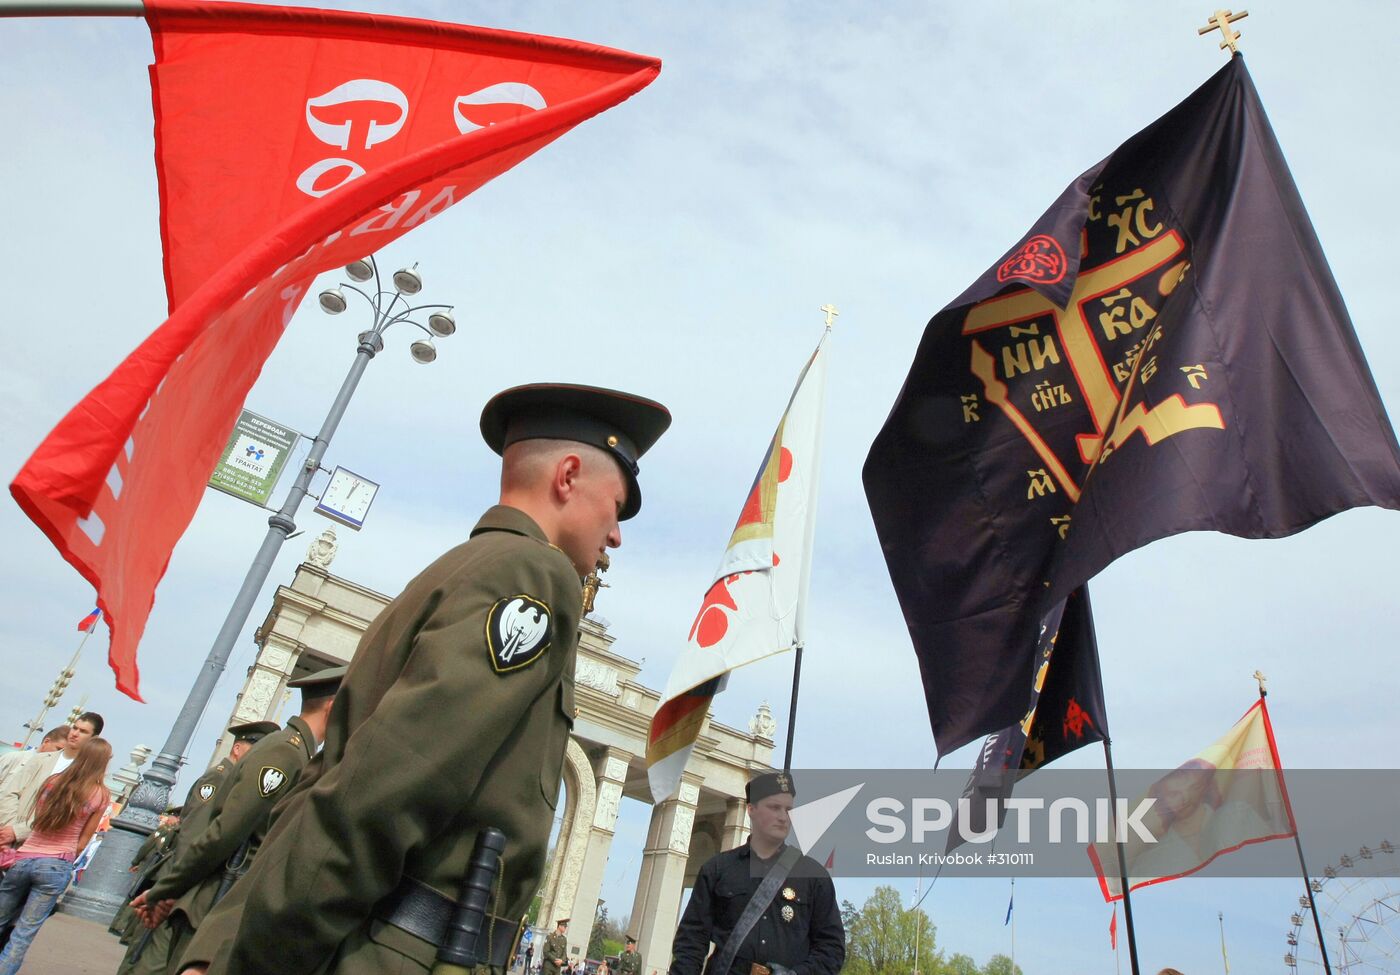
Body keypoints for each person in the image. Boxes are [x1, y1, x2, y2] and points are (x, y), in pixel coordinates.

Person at [175, 383, 670, 975]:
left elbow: (322, 784)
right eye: (615, 507)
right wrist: (263, 959)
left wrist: (220, 944)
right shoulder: (533, 573)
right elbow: (394, 779)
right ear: (567, 476)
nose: (615, 535)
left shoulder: (455, 570)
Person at [134, 669, 344, 972]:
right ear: (334, 706)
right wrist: (166, 888)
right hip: (217, 901)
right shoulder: (286, 754)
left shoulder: (290, 749)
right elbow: (226, 831)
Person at [114, 720, 281, 975]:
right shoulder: (219, 778)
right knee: (152, 961)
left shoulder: (234, 781)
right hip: (184, 884)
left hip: (190, 882)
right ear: (237, 748)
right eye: (255, 746)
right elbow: (194, 833)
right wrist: (180, 883)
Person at [669, 771, 845, 975]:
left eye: (788, 809)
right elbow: (691, 941)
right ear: (751, 809)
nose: (783, 817)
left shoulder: (814, 876)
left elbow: (832, 949)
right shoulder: (718, 869)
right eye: (774, 807)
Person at [0, 735, 112, 974]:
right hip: (56, 864)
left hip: (25, 857)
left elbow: (37, 821)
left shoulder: (53, 781)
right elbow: (83, 841)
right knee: (23, 934)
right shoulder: (100, 794)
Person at [0, 712, 104, 854]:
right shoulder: (40, 760)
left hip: (39, 849)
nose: (75, 733)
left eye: (83, 731)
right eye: (75, 728)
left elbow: (63, 815)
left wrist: (19, 832)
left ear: (94, 738)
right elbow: (10, 792)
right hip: (5, 835)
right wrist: (10, 828)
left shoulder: (84, 778)